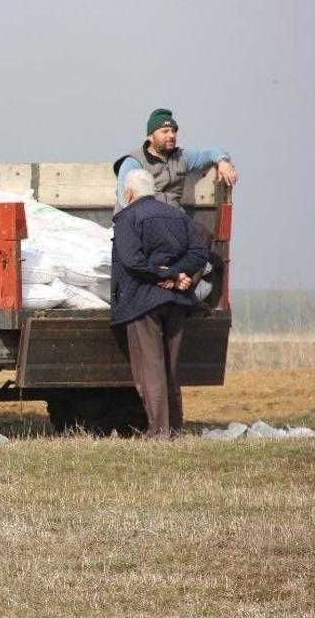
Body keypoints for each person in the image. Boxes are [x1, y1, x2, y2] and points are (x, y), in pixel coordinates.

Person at [111, 168, 210, 439]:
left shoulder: (127, 218)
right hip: (177, 301)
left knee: (150, 370)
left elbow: (133, 261)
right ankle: (175, 429)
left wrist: (168, 274)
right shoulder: (177, 215)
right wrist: (179, 273)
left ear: (129, 193)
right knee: (170, 368)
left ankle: (159, 433)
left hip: (143, 303)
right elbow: (200, 251)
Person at [113, 107, 238, 213]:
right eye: (165, 131)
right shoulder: (134, 161)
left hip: (173, 218)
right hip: (143, 220)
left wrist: (223, 161)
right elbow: (125, 200)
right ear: (150, 136)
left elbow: (210, 152)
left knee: (201, 235)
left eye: (174, 131)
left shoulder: (181, 158)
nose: (171, 135)